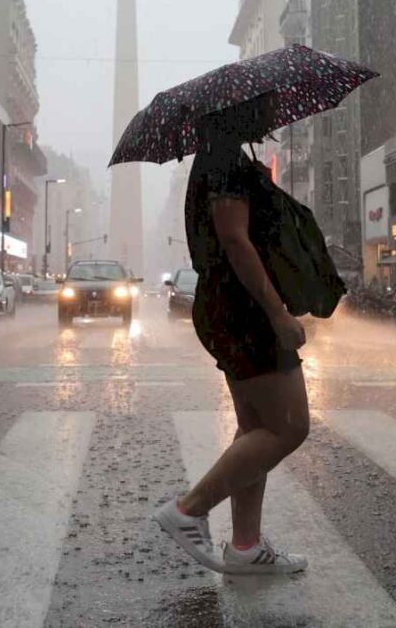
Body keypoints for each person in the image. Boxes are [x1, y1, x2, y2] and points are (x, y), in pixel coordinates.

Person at [153, 102, 310, 576]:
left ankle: (245, 546)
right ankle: (189, 509)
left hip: (228, 306)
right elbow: (237, 242)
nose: (272, 115)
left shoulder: (219, 159)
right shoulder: (224, 163)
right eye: (263, 109)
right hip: (244, 310)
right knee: (289, 426)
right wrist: (277, 313)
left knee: (255, 427)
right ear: (239, 115)